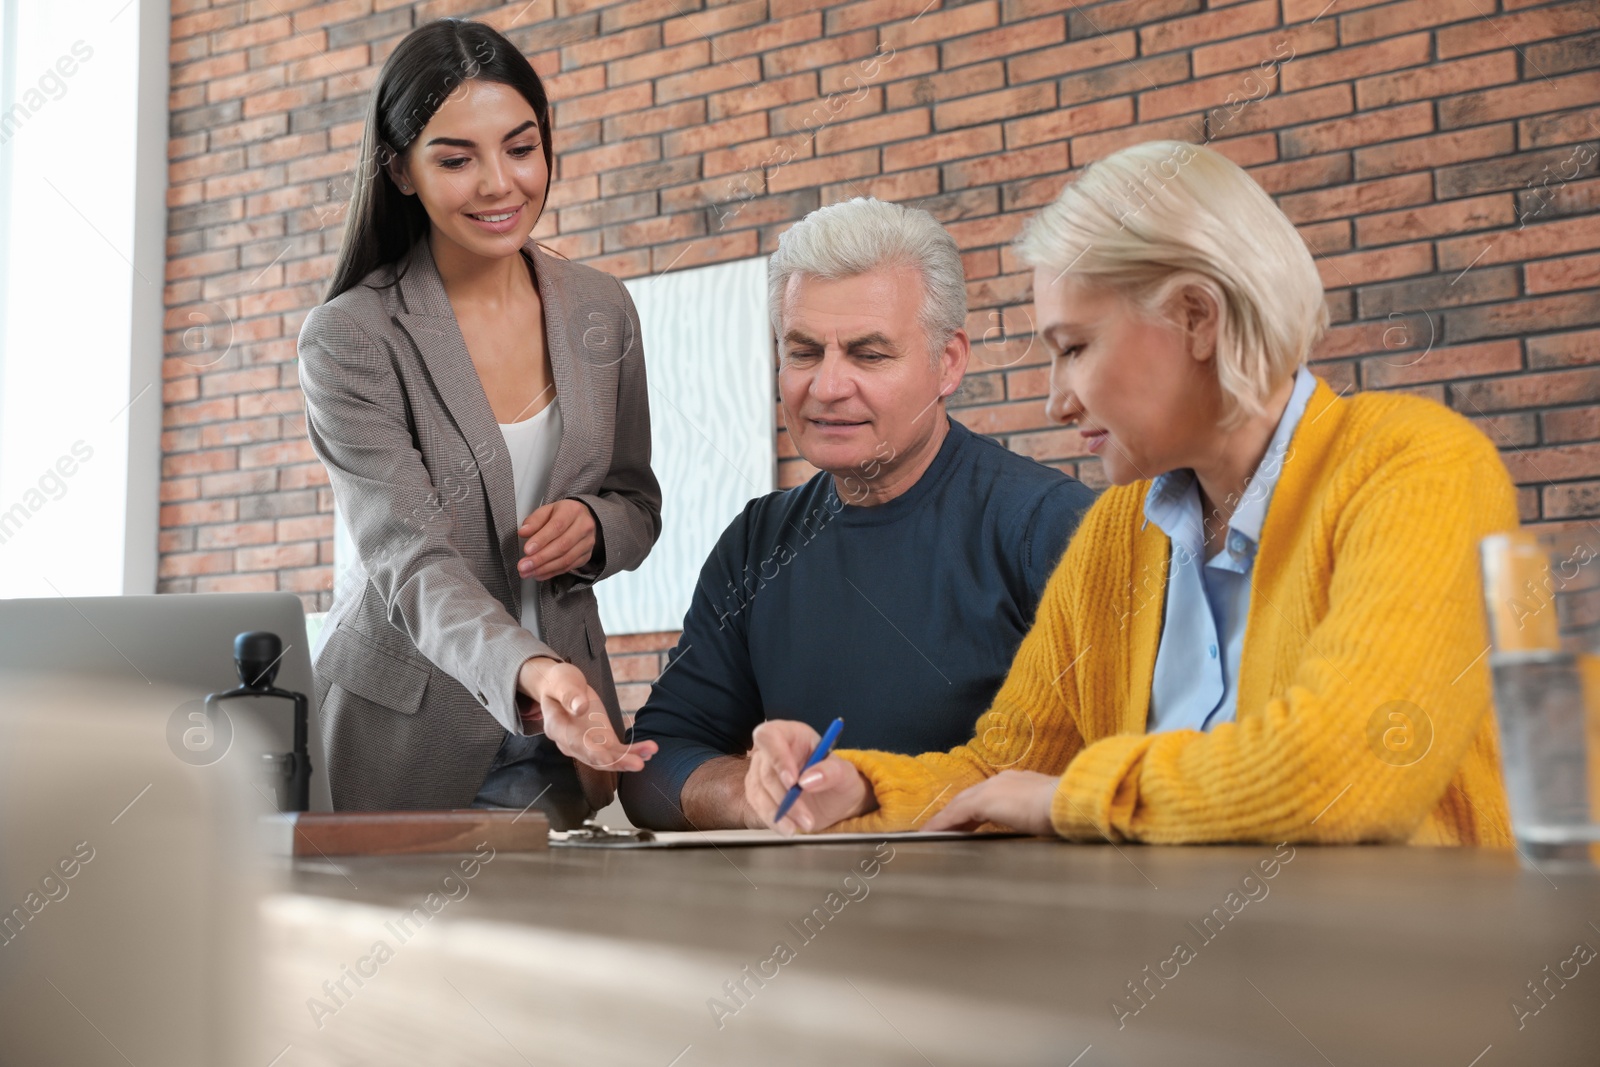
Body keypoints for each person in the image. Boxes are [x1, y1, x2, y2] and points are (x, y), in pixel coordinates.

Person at [743, 141, 1517, 846]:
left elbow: (1350, 767)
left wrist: (1067, 799)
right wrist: (860, 784)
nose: (1056, 401)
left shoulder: (1418, 467)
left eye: (1074, 348)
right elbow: (1004, 770)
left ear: (1196, 318)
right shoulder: (1120, 529)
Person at [619, 197, 1096, 831]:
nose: (827, 387)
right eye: (804, 352)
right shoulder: (757, 544)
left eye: (869, 355)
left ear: (948, 363)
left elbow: (1115, 768)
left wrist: (862, 801)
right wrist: (761, 797)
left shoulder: (1050, 527)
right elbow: (654, 763)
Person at [298, 19, 660, 827]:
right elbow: (412, 560)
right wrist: (531, 669)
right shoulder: (353, 337)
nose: (499, 183)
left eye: (520, 148)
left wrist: (596, 528)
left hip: (566, 728)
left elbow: (638, 501)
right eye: (457, 159)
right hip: (409, 733)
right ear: (400, 170)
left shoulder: (602, 310)